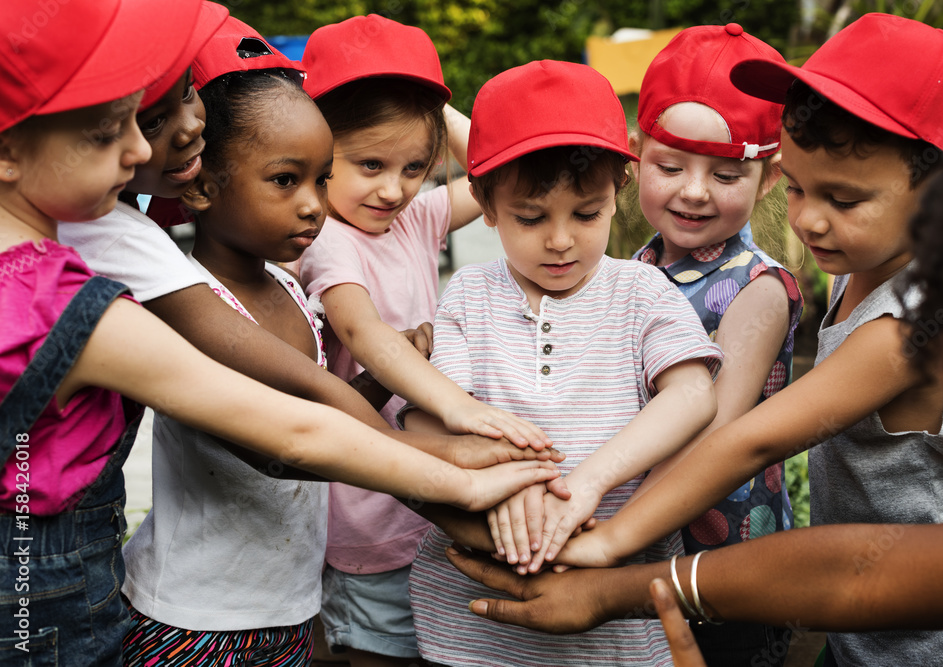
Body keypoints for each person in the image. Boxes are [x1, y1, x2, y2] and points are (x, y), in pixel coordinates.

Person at [0, 2, 563, 662]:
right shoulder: (79, 291)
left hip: (237, 598)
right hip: (118, 601)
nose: (144, 146)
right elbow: (288, 430)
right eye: (114, 129)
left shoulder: (242, 267)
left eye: (153, 112)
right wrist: (454, 477)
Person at [443, 14, 943, 667]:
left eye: (844, 200)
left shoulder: (914, 317)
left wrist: (607, 541)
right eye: (796, 187)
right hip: (857, 628)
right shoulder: (863, 264)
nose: (808, 217)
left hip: (936, 645)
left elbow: (750, 437)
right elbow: (514, 166)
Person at [405, 59, 724, 667]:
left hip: (617, 619)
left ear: (618, 191)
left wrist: (586, 485)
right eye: (530, 217)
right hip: (476, 623)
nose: (560, 240)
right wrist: (503, 489)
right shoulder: (469, 295)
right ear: (485, 202)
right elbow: (432, 419)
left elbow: (691, 396)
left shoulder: (642, 292)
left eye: (586, 213)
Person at [294, 17, 547, 665]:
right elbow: (361, 329)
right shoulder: (327, 236)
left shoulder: (414, 217)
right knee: (379, 650)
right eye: (369, 164)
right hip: (367, 513)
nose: (392, 188)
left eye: (414, 166)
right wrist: (458, 404)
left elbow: (507, 167)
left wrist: (431, 103)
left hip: (431, 505)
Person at [118, 22, 328, 665]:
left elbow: (315, 417)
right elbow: (277, 449)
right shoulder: (192, 304)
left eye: (322, 179)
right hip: (195, 620)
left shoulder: (292, 291)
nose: (315, 206)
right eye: (286, 180)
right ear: (203, 188)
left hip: (287, 606)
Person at [621, 25, 805, 664]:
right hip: (640, 552)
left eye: (726, 174)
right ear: (635, 154)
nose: (694, 190)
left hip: (726, 570)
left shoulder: (758, 287)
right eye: (669, 167)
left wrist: (611, 531)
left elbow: (714, 430)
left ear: (769, 176)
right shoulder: (632, 269)